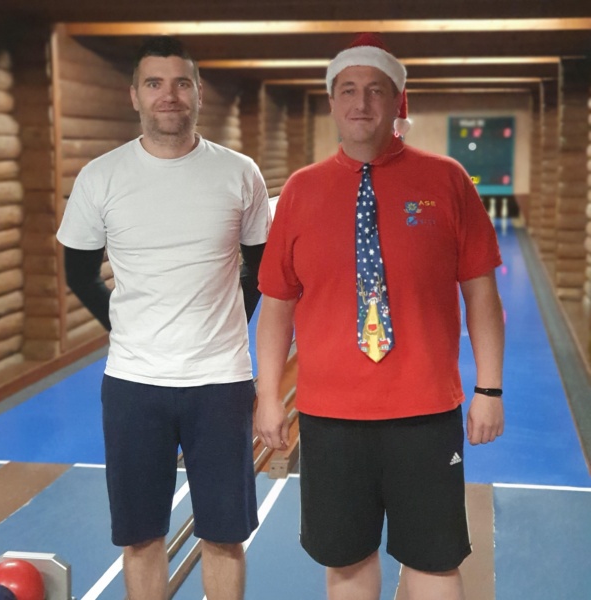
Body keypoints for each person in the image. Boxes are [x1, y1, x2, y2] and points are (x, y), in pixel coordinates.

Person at [255, 33, 504, 600]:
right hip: (330, 416)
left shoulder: (447, 180)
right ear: (332, 102)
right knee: (346, 562)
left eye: (375, 90)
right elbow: (276, 306)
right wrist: (268, 395)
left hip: (425, 412)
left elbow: (482, 295)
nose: (361, 102)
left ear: (397, 102)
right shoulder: (300, 191)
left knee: (435, 562)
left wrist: (489, 388)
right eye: (348, 90)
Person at [57, 36, 270, 600]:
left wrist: (228, 322)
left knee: (225, 535)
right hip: (134, 383)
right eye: (154, 83)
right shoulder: (101, 177)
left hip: (220, 382)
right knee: (141, 537)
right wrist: (125, 328)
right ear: (135, 95)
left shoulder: (239, 172)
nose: (168, 95)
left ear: (197, 93)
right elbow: (79, 272)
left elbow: (261, 268)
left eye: (181, 83)